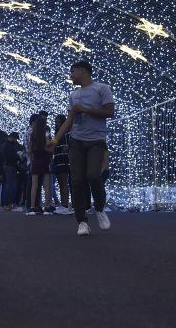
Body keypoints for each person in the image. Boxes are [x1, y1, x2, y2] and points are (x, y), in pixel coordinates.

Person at [53, 61, 115, 236]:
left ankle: (100, 207)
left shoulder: (102, 88)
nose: (71, 75)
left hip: (96, 141)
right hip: (76, 141)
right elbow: (70, 119)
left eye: (73, 71)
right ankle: (82, 221)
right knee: (77, 181)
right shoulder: (73, 95)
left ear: (83, 71)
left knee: (94, 175)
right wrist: (56, 139)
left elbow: (110, 112)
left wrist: (86, 110)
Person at [28, 112, 54, 215]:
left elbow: (30, 150)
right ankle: (47, 207)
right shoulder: (46, 133)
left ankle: (32, 207)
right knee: (46, 185)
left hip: (35, 160)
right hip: (45, 159)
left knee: (34, 185)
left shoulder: (32, 134)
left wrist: (31, 161)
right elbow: (48, 146)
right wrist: (55, 141)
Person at [50, 113, 72, 214]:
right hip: (58, 159)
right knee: (61, 183)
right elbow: (53, 145)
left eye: (59, 122)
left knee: (64, 182)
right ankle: (64, 205)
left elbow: (70, 144)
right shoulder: (57, 134)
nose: (57, 124)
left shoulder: (68, 133)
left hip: (64, 159)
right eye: (56, 122)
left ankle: (65, 205)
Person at [0, 132, 23, 210]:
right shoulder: (7, 145)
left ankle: (9, 203)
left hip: (10, 166)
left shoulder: (7, 145)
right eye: (15, 139)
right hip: (10, 166)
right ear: (12, 137)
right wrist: (18, 158)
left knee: (11, 185)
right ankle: (8, 203)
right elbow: (10, 157)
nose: (16, 140)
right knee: (10, 185)